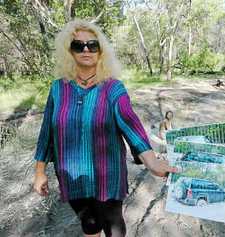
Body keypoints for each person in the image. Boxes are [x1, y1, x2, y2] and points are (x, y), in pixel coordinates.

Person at [32, 19, 177, 237]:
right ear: (69, 51)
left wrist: (152, 161)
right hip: (71, 175)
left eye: (93, 44)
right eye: (78, 45)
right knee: (89, 223)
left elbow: (131, 124)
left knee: (113, 224)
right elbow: (47, 132)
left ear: (101, 51)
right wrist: (40, 172)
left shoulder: (113, 87)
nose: (86, 50)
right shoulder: (57, 88)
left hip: (107, 175)